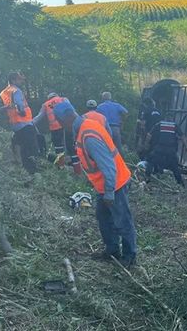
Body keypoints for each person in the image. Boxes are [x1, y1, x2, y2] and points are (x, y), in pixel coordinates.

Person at [53, 101, 137, 268]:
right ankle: (112, 251)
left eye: (60, 122)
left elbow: (108, 167)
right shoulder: (84, 126)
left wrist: (109, 193)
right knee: (104, 218)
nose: (61, 126)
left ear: (67, 119)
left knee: (122, 221)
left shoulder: (89, 136)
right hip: (104, 184)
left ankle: (129, 257)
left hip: (114, 184)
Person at [0, 71, 38, 174]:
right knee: (29, 147)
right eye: (19, 79)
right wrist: (22, 112)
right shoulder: (16, 91)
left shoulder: (3, 92)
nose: (21, 81)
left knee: (22, 146)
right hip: (24, 123)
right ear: (13, 80)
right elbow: (19, 105)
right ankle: (32, 170)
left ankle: (25, 170)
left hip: (14, 124)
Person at [33, 92, 81, 174]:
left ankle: (61, 167)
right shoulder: (63, 99)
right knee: (72, 148)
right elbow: (72, 111)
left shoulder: (46, 104)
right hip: (67, 125)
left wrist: (29, 123)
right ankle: (77, 169)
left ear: (49, 98)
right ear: (56, 95)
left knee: (59, 149)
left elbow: (39, 117)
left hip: (55, 129)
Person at [145, 114, 187, 186]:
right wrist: (186, 146)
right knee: (175, 166)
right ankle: (180, 183)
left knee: (151, 161)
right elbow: (182, 136)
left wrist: (146, 145)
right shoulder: (175, 125)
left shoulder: (159, 124)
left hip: (159, 148)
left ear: (164, 119)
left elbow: (149, 135)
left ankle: (147, 178)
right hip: (171, 150)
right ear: (172, 119)